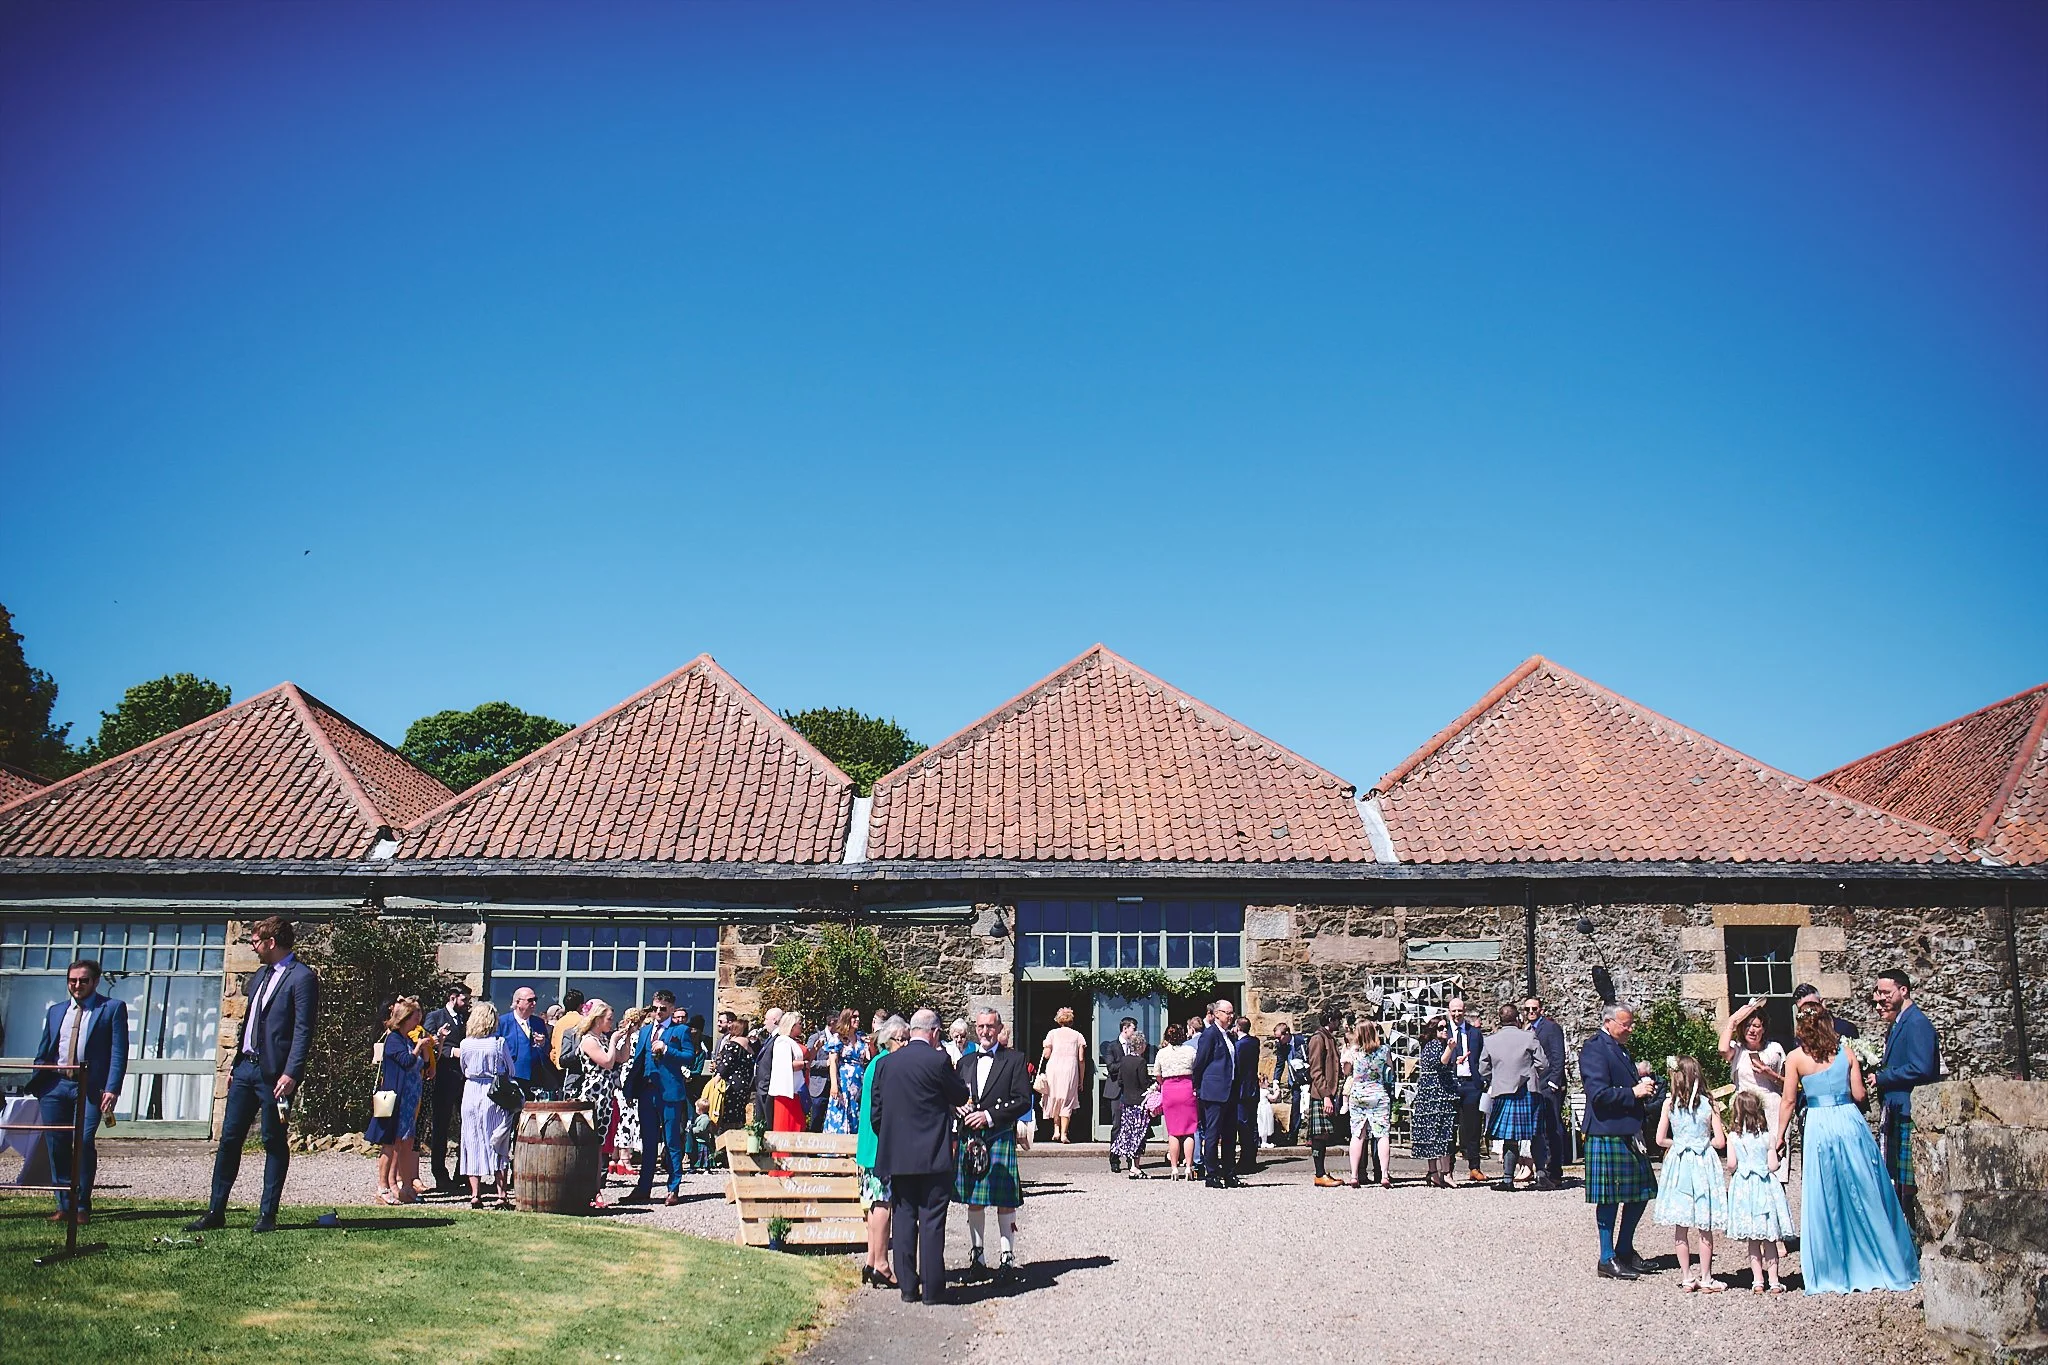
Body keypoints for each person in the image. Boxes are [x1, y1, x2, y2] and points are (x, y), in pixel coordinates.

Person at [1768, 998, 1919, 1294]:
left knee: (1828, 1194)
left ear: (1802, 1027)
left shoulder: (1796, 1058)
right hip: (1849, 1121)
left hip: (1820, 1126)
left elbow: (1787, 1101)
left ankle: (1835, 1266)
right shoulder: (1845, 1052)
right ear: (1827, 1024)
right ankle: (1882, 1258)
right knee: (1864, 1188)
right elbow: (1859, 1094)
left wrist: (1780, 1135)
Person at [188, 917, 317, 1233]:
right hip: (245, 1069)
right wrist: (234, 1066)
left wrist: (292, 1073)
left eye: (256, 941)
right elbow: (249, 1024)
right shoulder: (259, 976)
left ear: (271, 942)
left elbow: (303, 1030)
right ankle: (215, 1210)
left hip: (275, 1076)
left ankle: (267, 1215)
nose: (252, 947)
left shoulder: (302, 978)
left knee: (273, 1140)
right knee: (230, 1138)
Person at [871, 1008, 970, 1306]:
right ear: (935, 1032)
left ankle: (907, 1287)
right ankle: (933, 1289)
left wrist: (893, 1139)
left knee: (903, 1217)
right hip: (932, 1153)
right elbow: (960, 1097)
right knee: (931, 1220)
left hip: (898, 1155)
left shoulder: (885, 1064)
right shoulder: (938, 1060)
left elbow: (877, 1114)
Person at [28, 957, 128, 1224]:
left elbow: (119, 1052)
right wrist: (40, 1079)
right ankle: (64, 1204)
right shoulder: (56, 1011)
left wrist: (112, 1087)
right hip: (55, 1086)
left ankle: (82, 1205)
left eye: (83, 980)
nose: (77, 985)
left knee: (83, 1142)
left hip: (91, 1087)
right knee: (56, 1145)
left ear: (95, 982)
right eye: (72, 980)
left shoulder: (112, 1009)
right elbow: (45, 1048)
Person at [1580, 1004, 1660, 1281]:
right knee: (1609, 1199)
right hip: (1606, 1131)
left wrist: (1644, 1088)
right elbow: (1598, 1094)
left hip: (1626, 1130)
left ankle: (1624, 1248)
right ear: (1609, 1021)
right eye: (1626, 1024)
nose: (1630, 1029)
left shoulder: (1619, 1047)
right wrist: (1632, 1092)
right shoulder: (1594, 1048)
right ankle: (1606, 1258)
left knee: (1642, 1193)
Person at [954, 1008, 1030, 1281]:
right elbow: (953, 1097)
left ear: (999, 1029)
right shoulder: (965, 1062)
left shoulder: (1014, 1060)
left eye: (990, 1027)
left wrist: (988, 1116)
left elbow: (1023, 1099)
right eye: (981, 1027)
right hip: (971, 1139)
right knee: (974, 1199)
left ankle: (1007, 1257)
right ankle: (978, 1256)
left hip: (997, 1135)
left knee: (1004, 1200)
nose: (985, 1032)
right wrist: (958, 1108)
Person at [1653, 1055, 1729, 1290]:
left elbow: (1659, 1139)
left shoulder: (1669, 1104)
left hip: (1679, 1163)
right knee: (1704, 1223)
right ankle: (1706, 1277)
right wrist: (1701, 1142)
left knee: (1681, 1225)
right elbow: (1719, 1141)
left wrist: (1678, 1144)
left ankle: (1687, 1277)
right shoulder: (1709, 1103)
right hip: (1703, 1162)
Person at [1871, 968, 1940, 1225]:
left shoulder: (1917, 1022)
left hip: (1908, 1109)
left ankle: (1915, 1238)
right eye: (1878, 996)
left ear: (1904, 990)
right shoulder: (1899, 1023)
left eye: (1886, 994)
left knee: (1910, 1185)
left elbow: (1921, 1068)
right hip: (1897, 1109)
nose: (1882, 1000)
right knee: (1899, 1182)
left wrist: (1882, 1078)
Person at [856, 1014, 908, 1289]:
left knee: (873, 1203)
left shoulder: (874, 1064)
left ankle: (871, 1258)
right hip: (879, 1146)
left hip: (868, 1146)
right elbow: (883, 1109)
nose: (907, 1044)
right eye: (903, 1039)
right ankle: (882, 1264)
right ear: (890, 1040)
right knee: (882, 1204)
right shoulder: (885, 1065)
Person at [1723, 1090, 1792, 1293]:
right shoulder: (1767, 1137)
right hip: (1765, 1187)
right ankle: (1775, 1281)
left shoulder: (1733, 1137)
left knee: (1753, 1240)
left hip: (1745, 1188)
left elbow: (1731, 1165)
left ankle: (1757, 1281)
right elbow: (1773, 1166)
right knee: (1769, 1238)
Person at [1719, 997, 1789, 1190]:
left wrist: (1770, 1074)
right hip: (1745, 1109)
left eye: (1757, 1026)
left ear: (1764, 1028)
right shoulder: (1737, 1050)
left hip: (1771, 1107)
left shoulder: (1775, 1049)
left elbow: (1789, 1085)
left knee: (1774, 1161)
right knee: (1746, 1162)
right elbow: (1722, 1048)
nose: (1752, 1030)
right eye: (1748, 1025)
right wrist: (1733, 1021)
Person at [366, 998, 431, 1205]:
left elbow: (423, 1063)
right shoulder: (394, 1039)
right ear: (404, 1018)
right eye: (414, 1017)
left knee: (406, 1142)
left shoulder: (406, 1038)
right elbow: (407, 1061)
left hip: (410, 1099)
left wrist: (424, 1046)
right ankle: (383, 1187)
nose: (417, 1020)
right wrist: (419, 1047)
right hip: (395, 1099)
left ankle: (405, 1187)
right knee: (390, 1143)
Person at [1480, 1001, 1544, 1192]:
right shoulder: (1529, 1036)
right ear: (1517, 1019)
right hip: (1528, 1091)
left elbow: (1483, 1070)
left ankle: (1508, 1180)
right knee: (1536, 1135)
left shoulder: (1490, 1040)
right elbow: (1543, 1063)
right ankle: (1541, 1176)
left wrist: (1499, 1076)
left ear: (1500, 1020)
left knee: (1509, 1137)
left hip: (1503, 1091)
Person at [458, 1001, 514, 1209]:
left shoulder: (465, 1044)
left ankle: (475, 1194)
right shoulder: (498, 1043)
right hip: (493, 1092)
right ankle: (501, 1194)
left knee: (472, 1140)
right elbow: (510, 1069)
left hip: (471, 1091)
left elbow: (464, 1068)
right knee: (497, 1140)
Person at [565, 999, 628, 1178]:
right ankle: (589, 1183)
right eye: (609, 1019)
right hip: (594, 1092)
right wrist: (615, 1039)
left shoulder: (603, 1039)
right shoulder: (588, 1040)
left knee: (602, 1140)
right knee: (592, 1140)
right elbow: (607, 1062)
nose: (611, 1022)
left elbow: (622, 1057)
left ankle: (597, 1184)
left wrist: (627, 1036)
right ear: (598, 1020)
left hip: (606, 1093)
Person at [422, 984, 471, 1191]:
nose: (467, 1004)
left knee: (467, 1128)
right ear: (452, 997)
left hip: (465, 1080)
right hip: (443, 1078)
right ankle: (440, 1174)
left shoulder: (467, 1019)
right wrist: (451, 1052)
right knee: (441, 1127)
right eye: (464, 1000)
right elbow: (429, 1045)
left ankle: (463, 1172)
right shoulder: (435, 1017)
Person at [1191, 998, 1241, 1189]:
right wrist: (1197, 1087)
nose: (1231, 1016)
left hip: (1229, 1092)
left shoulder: (1230, 1036)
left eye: (1232, 1013)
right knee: (1212, 1134)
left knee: (1229, 1135)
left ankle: (1229, 1173)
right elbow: (1200, 1062)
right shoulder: (1210, 1035)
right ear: (1217, 1014)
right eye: (1227, 1013)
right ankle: (1212, 1174)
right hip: (1213, 1093)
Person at [1343, 1020, 1394, 1189]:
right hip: (1378, 1094)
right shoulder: (1384, 1050)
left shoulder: (1354, 1052)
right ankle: (1385, 1174)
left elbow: (1346, 1071)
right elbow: (1390, 1071)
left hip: (1358, 1095)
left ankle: (1354, 1175)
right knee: (1382, 1135)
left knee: (1358, 1135)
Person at [1409, 1016, 1458, 1188]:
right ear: (1433, 1031)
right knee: (1435, 1134)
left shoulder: (1440, 1046)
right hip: (1433, 1096)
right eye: (1440, 1028)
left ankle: (1439, 1173)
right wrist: (1451, 1050)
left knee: (1442, 1134)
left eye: (1445, 1027)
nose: (1444, 1030)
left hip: (1440, 1094)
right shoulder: (1432, 1046)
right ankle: (1438, 1173)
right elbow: (1440, 1063)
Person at [1524, 996, 1568, 1190]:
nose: (1530, 1012)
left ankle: (1556, 1171)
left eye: (1534, 1008)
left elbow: (1558, 1057)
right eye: (1527, 1009)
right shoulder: (1526, 1030)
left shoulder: (1551, 1028)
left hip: (1549, 1085)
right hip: (1534, 1085)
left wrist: (1553, 1082)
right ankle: (1543, 1169)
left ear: (1541, 1009)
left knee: (1553, 1127)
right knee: (1539, 1129)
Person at [1442, 996, 1487, 1183]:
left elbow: (1482, 1057)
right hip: (1451, 1082)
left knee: (1473, 1127)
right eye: (1453, 1010)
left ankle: (1474, 1167)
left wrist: (1482, 1079)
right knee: (1450, 1127)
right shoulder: (1443, 1032)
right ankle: (1448, 1169)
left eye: (1460, 1010)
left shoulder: (1474, 1033)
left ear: (1464, 1010)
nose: (1457, 1014)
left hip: (1471, 1084)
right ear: (1449, 1011)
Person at [1154, 1022, 1199, 1179]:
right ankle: (1188, 1166)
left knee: (1173, 1132)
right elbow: (1197, 1069)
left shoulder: (1162, 1053)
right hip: (1187, 1088)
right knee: (1189, 1131)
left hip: (1169, 1089)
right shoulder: (1190, 1051)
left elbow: (1157, 1074)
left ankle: (1174, 1168)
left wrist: (1164, 1084)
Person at [1305, 1008, 1343, 1187]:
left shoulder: (1329, 1038)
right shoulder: (1318, 1039)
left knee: (1324, 1135)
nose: (1340, 1023)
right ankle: (1319, 1174)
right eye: (1337, 1019)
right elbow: (1316, 1071)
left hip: (1328, 1092)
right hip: (1321, 1094)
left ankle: (1321, 1172)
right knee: (1319, 1136)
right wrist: (1326, 1096)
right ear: (1330, 1019)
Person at [1038, 1006, 1087, 1143]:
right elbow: (1081, 1059)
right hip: (1069, 1070)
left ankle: (1056, 1130)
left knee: (1055, 1098)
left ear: (1059, 1020)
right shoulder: (1078, 1036)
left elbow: (1046, 1055)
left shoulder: (1052, 1033)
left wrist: (1045, 1046)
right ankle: (1064, 1134)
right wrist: (1081, 1079)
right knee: (1067, 1100)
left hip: (1054, 1068)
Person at [1110, 1029, 1155, 1177]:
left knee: (1129, 1133)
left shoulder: (1124, 1060)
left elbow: (1121, 1080)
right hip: (1139, 1102)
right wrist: (1152, 1084)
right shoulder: (1141, 1061)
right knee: (1139, 1135)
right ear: (1141, 1045)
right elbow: (1143, 1083)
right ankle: (1135, 1167)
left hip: (1127, 1101)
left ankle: (1132, 1166)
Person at [498, 987, 552, 1100]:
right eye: (530, 1000)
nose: (534, 1003)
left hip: (535, 1079)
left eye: (535, 999)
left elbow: (548, 1049)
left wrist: (543, 1043)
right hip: (512, 1077)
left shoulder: (538, 1022)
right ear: (518, 1002)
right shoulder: (502, 1022)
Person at [824, 1008, 871, 1136]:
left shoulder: (861, 1037)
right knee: (841, 1110)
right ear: (846, 1019)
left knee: (858, 1111)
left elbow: (868, 1059)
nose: (857, 1019)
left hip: (859, 1080)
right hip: (843, 1082)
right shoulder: (838, 1038)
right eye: (854, 1017)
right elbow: (832, 1062)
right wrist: (834, 1084)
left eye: (858, 1017)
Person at [766, 1012, 808, 1133]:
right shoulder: (782, 1041)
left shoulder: (790, 1041)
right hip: (786, 1092)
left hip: (795, 1090)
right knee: (786, 1127)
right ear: (792, 1025)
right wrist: (804, 1064)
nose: (801, 1027)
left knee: (797, 1127)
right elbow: (785, 1065)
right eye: (799, 1024)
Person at [1231, 1013, 1262, 1176]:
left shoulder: (1239, 1046)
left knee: (1243, 1125)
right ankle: (1252, 1157)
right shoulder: (1254, 1042)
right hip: (1252, 1088)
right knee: (1252, 1124)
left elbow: (1237, 1068)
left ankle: (1246, 1159)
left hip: (1242, 1090)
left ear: (1237, 1027)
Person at [752, 1006, 784, 1124]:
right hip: (761, 1086)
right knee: (760, 1121)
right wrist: (755, 1043)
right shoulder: (770, 1038)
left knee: (767, 1122)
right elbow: (763, 1057)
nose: (764, 1023)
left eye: (766, 1019)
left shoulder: (779, 1038)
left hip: (767, 1086)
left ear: (775, 1020)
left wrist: (766, 1084)